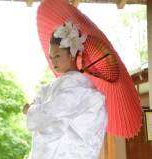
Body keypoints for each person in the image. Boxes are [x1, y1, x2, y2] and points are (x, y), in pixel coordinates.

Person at [22, 19, 108, 159]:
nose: (53, 61)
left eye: (57, 55)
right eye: (51, 57)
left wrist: (30, 110)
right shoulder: (77, 87)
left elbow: (50, 115)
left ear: (72, 55)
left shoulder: (73, 87)